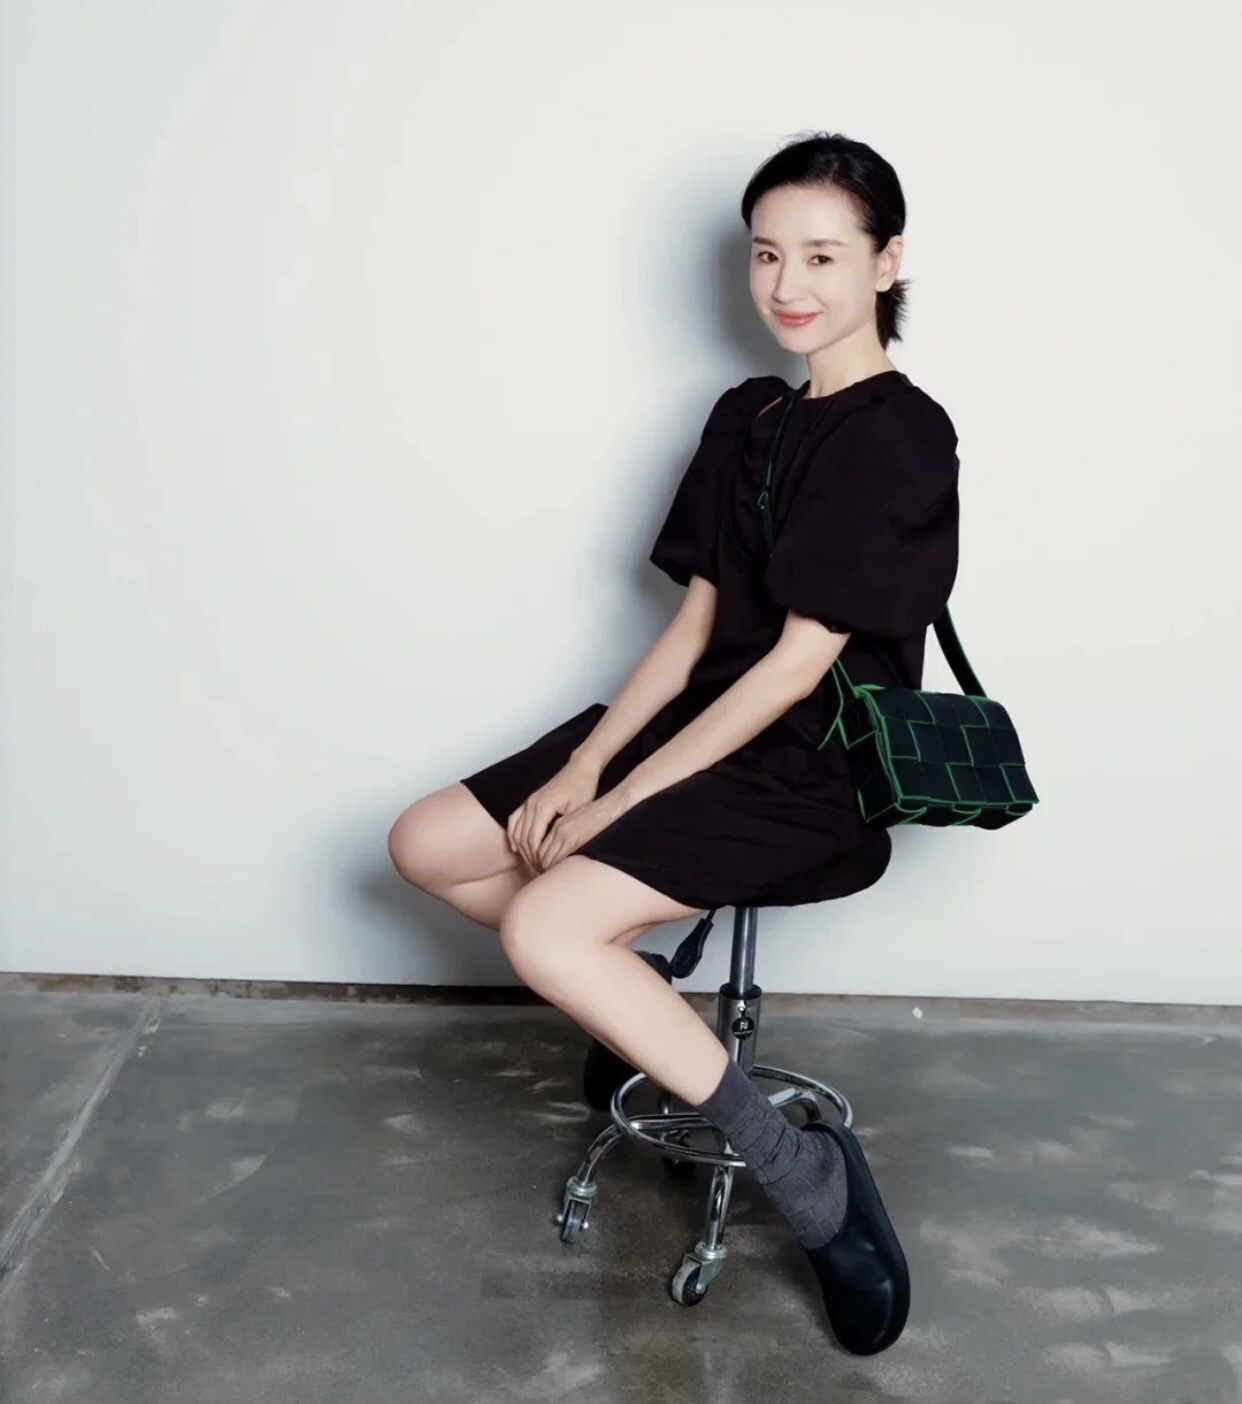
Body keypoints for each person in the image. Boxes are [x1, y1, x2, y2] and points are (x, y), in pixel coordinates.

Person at [388, 131, 960, 1356]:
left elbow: (799, 662)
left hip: (808, 761)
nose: (787, 284)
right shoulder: (748, 414)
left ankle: (808, 1178)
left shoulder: (902, 436)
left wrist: (614, 808)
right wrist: (585, 766)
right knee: (426, 842)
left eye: (822, 255)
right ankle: (638, 1008)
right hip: (695, 719)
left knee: (547, 927)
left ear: (887, 262)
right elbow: (698, 621)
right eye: (767, 254)